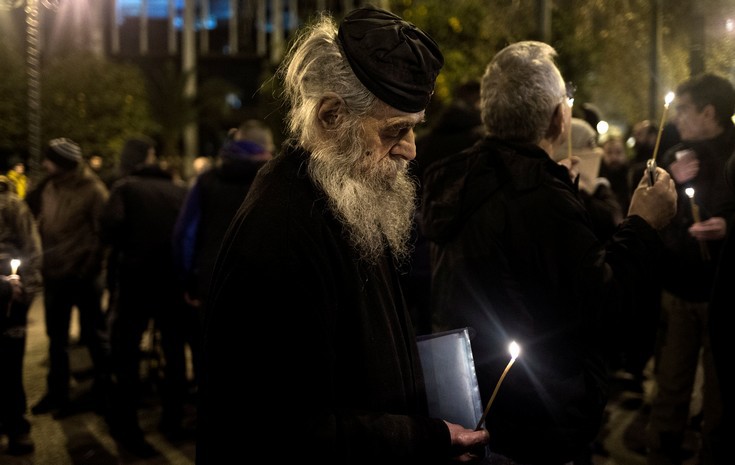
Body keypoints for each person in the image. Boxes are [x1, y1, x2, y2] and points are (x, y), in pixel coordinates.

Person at [197, 6, 489, 465]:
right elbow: (282, 432)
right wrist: (427, 439)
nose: (411, 150)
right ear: (331, 116)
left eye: (414, 128)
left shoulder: (344, 193)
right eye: (397, 130)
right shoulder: (281, 230)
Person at [419, 41, 677, 465]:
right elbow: (606, 305)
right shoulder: (538, 196)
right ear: (559, 118)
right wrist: (642, 225)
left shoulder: (460, 177)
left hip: (477, 399)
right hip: (540, 413)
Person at [645, 73, 735, 465]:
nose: (677, 117)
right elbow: (653, 216)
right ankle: (662, 451)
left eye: (684, 109)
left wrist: (729, 227)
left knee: (721, 396)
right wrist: (672, 190)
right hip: (681, 290)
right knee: (672, 385)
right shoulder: (675, 154)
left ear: (709, 111)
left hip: (723, 292)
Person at [100, 136, 192, 457]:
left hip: (135, 282)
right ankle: (173, 419)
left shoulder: (124, 188)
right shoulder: (180, 190)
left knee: (126, 354)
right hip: (171, 281)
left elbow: (107, 229)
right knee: (174, 350)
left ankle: (127, 428)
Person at [25, 138, 111, 418]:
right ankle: (57, 392)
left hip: (83, 276)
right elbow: (44, 222)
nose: (44, 164)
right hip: (55, 274)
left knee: (95, 335)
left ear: (62, 163)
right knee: (56, 338)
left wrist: (90, 266)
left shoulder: (93, 190)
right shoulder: (51, 186)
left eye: (49, 160)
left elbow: (104, 233)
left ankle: (103, 390)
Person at [173, 118, 275, 311]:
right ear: (267, 147)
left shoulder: (207, 181)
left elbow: (185, 234)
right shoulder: (275, 182)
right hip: (265, 283)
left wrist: (188, 279)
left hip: (212, 279)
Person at [0, 174, 42, 456]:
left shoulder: (12, 205)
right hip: (8, 288)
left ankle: (16, 426)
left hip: (10, 293)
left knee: (10, 362)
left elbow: (31, 248)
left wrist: (24, 288)